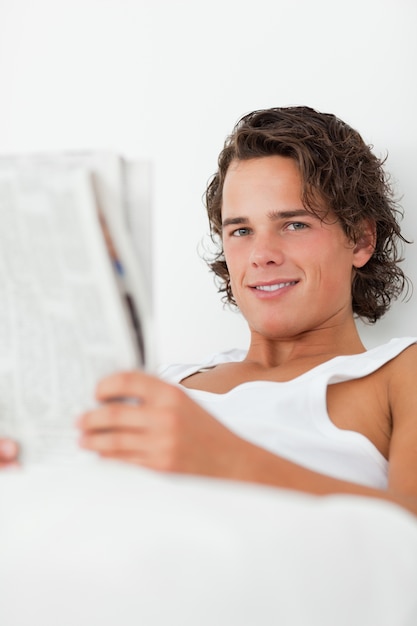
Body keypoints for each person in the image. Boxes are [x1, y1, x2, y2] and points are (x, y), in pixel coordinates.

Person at [1, 106, 417, 516]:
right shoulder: (153, 380)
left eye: (294, 224)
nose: (261, 255)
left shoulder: (398, 374)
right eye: (240, 230)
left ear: (361, 239)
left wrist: (228, 460)